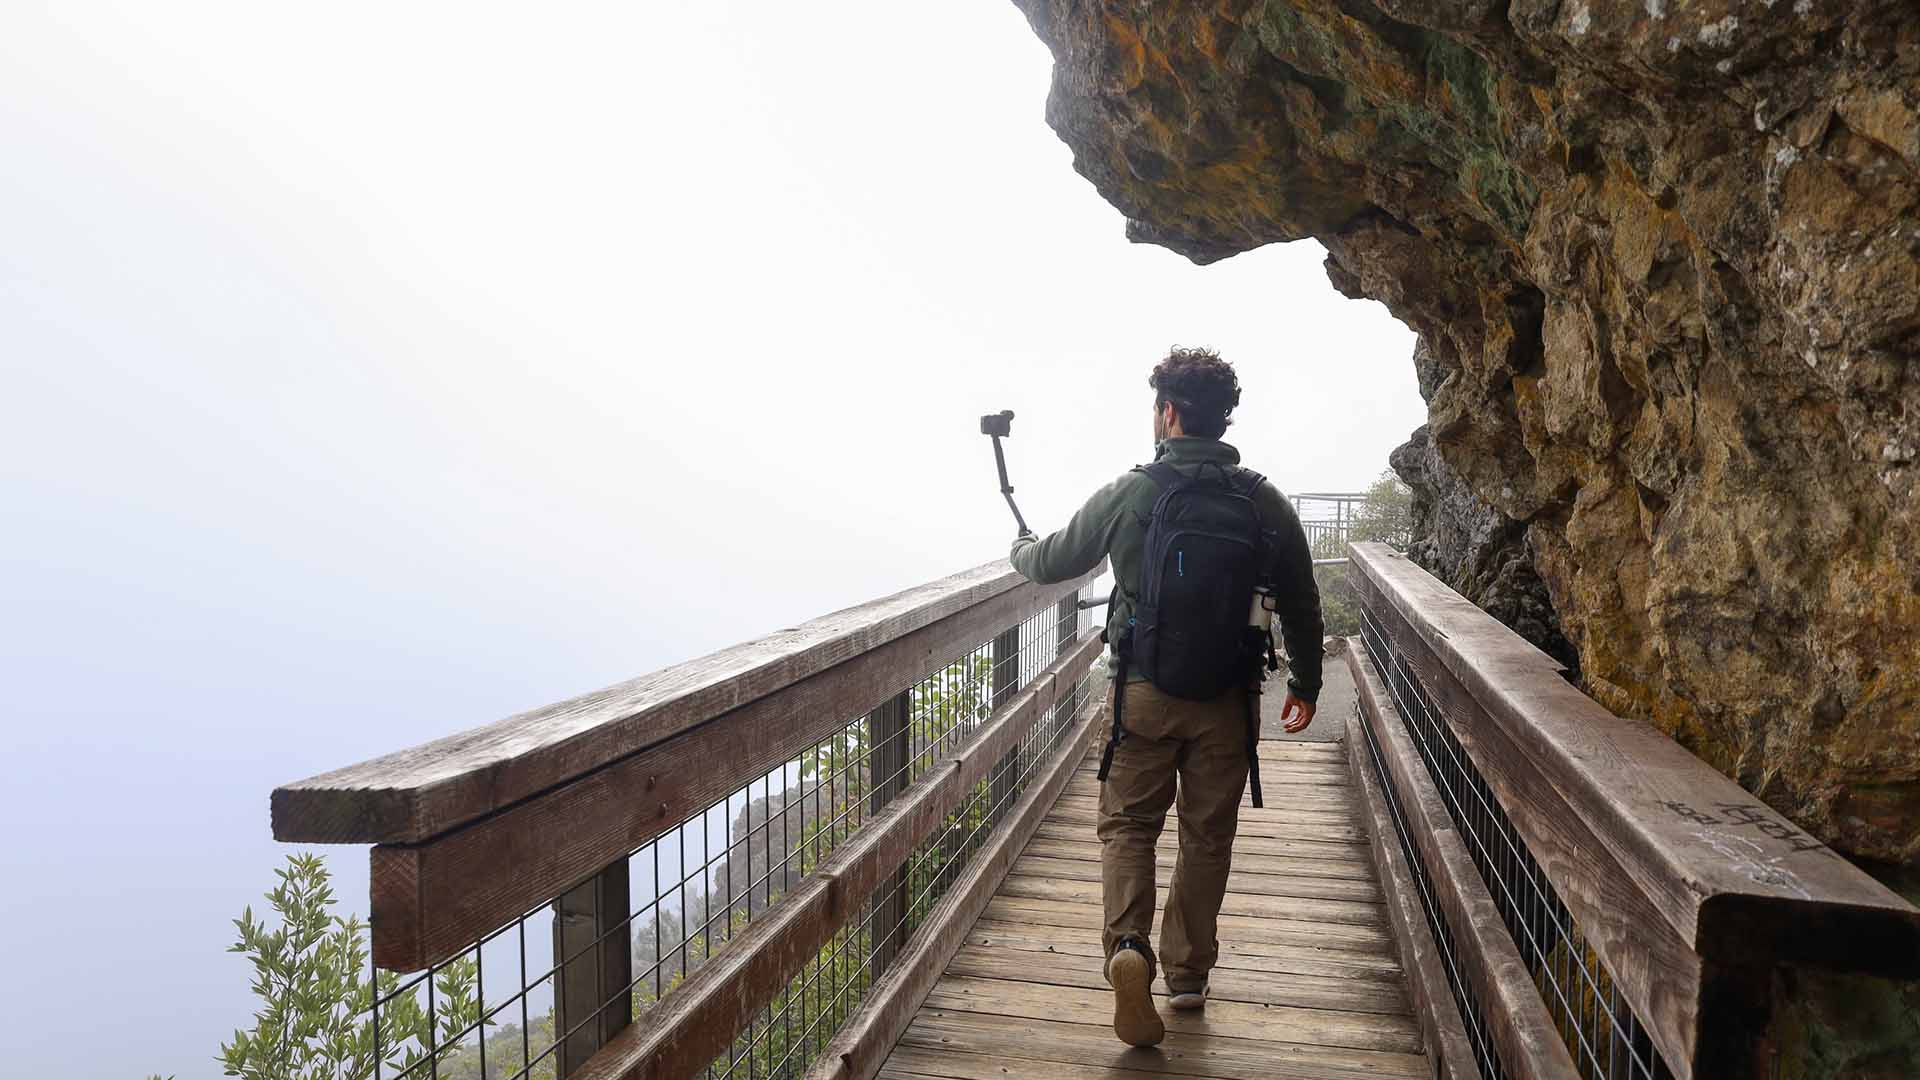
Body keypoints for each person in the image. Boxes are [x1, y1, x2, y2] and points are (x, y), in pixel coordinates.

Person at [1008, 347, 1323, 1048]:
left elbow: (1054, 561)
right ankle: (1186, 978)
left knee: (1128, 827)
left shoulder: (1135, 491)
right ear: (1223, 418)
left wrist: (1020, 547)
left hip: (1142, 693)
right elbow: (1300, 600)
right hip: (1228, 702)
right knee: (1207, 838)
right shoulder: (1261, 498)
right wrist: (1305, 682)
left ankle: (1127, 947)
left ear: (1170, 413)